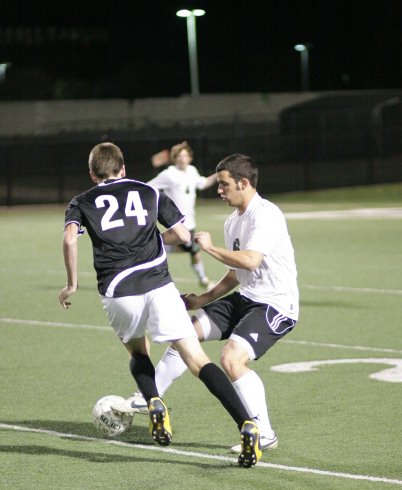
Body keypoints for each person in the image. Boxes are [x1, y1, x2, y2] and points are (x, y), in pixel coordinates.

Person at [58, 142, 261, 468]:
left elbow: (70, 239)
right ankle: (246, 423)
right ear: (122, 169)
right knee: (196, 358)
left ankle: (153, 401)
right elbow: (182, 235)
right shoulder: (147, 191)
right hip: (160, 285)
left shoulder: (81, 201)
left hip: (118, 290)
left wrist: (71, 284)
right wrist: (155, 241)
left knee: (139, 353)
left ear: (93, 173)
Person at [153, 153, 299, 454]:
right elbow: (237, 273)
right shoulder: (233, 221)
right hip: (246, 298)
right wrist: (202, 299)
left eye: (224, 185)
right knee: (185, 333)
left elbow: (251, 259)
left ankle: (266, 434)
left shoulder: (266, 215)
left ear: (243, 183)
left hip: (275, 306)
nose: (218, 191)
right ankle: (148, 398)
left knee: (231, 359)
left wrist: (209, 248)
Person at [148, 141, 216, 289]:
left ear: (190, 157)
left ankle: (153, 247)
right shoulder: (168, 174)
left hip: (190, 222)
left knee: (190, 248)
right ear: (174, 158)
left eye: (185, 155)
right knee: (194, 248)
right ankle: (204, 280)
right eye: (179, 156)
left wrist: (218, 175)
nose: (182, 158)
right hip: (176, 222)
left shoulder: (192, 170)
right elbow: (148, 188)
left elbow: (202, 183)